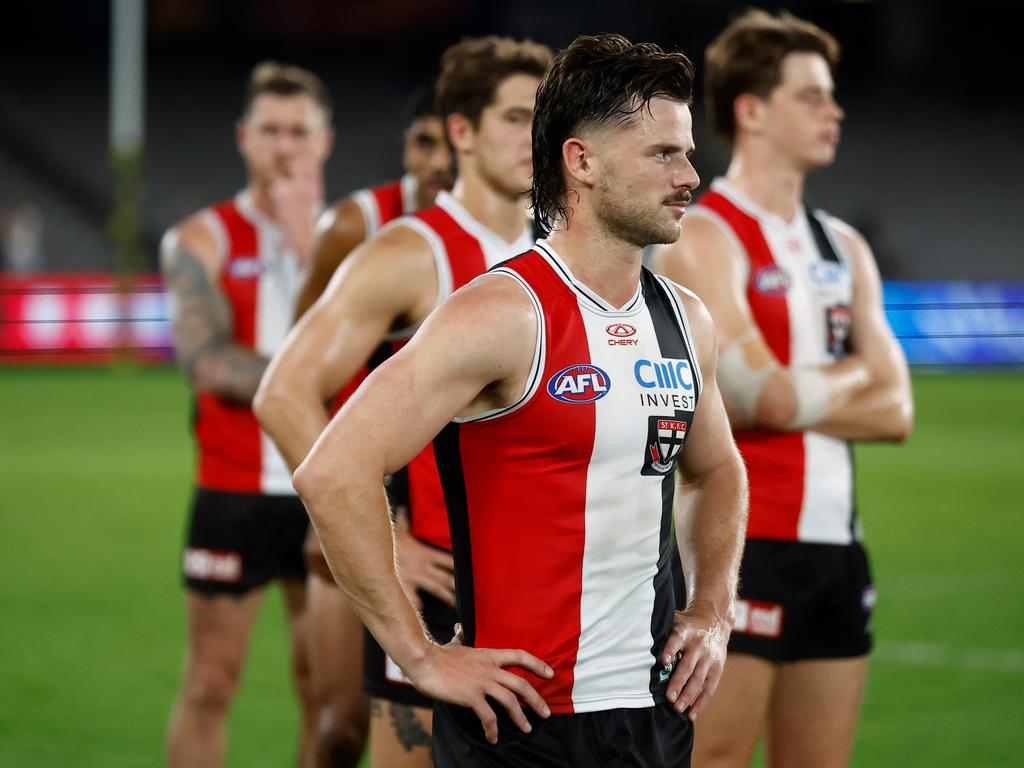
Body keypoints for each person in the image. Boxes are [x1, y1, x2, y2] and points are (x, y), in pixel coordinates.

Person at [292, 33, 748, 767]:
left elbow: (717, 469)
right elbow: (332, 470)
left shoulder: (685, 319)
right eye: (664, 154)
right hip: (522, 724)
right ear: (582, 161)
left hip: (654, 716)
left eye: (688, 152)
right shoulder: (502, 314)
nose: (690, 175)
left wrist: (713, 609)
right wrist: (422, 655)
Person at [254, 36, 553, 768]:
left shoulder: (566, 253)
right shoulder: (410, 252)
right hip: (446, 581)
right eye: (516, 118)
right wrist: (385, 533)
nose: (534, 137)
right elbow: (284, 392)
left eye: (545, 118)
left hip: (554, 582)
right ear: (461, 132)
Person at [653, 10, 914, 767]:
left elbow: (898, 411)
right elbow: (757, 399)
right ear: (752, 110)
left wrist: (794, 394)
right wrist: (853, 376)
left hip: (837, 548)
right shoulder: (705, 233)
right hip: (741, 545)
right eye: (811, 96)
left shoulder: (846, 245)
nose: (833, 112)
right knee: (714, 758)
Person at [160, 62, 333, 768]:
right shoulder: (202, 239)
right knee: (209, 683)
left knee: (325, 693)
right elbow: (206, 361)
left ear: (325, 141)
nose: (284, 147)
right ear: (242, 137)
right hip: (234, 488)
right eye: (270, 130)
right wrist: (305, 377)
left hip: (324, 488)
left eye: (299, 131)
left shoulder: (353, 241)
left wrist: (309, 251)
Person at [290, 81, 453, 768]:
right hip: (363, 498)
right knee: (339, 727)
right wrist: (366, 522)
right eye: (423, 143)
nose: (436, 162)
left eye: (448, 144)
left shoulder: (522, 235)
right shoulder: (359, 230)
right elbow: (297, 373)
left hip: (453, 519)